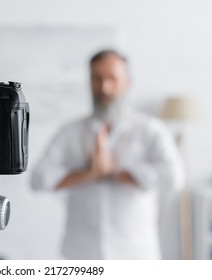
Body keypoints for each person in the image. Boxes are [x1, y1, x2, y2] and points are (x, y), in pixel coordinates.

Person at [31, 50, 185, 259]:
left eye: (112, 78)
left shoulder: (151, 130)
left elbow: (174, 178)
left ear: (127, 82)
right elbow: (38, 179)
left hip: (135, 254)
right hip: (81, 253)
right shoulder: (69, 131)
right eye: (97, 79)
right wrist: (88, 173)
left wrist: (113, 173)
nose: (104, 87)